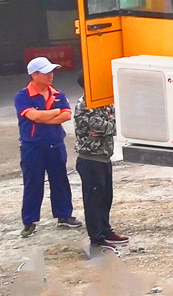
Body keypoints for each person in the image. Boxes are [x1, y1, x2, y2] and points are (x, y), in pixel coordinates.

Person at [14, 56, 77, 237]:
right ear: (34, 75)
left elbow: (66, 116)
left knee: (60, 180)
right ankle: (29, 221)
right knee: (33, 182)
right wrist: (55, 113)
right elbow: (34, 117)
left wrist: (45, 116)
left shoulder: (58, 94)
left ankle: (64, 215)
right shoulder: (22, 96)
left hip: (56, 144)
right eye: (46, 72)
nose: (51, 75)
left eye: (51, 71)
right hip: (32, 147)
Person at [72, 96, 128, 257]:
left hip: (104, 157)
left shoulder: (103, 102)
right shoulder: (85, 104)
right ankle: (96, 237)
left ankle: (105, 230)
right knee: (93, 201)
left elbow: (117, 125)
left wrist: (107, 127)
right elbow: (100, 125)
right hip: (90, 159)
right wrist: (108, 126)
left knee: (105, 198)